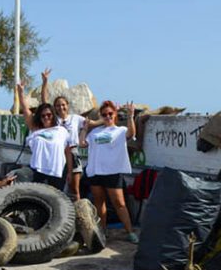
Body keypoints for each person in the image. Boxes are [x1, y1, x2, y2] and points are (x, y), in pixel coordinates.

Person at [80, 100, 139, 243]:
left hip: (113, 172)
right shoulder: (95, 133)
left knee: (119, 203)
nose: (108, 116)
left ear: (115, 114)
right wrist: (85, 128)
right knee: (99, 202)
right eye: (104, 114)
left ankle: (130, 231)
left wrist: (131, 116)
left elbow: (131, 133)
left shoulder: (120, 130)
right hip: (95, 172)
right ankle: (103, 230)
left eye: (110, 114)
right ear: (101, 116)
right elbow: (82, 143)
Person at [40, 67, 101, 200]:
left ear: (67, 105)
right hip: (58, 154)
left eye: (63, 105)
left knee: (75, 188)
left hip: (73, 154)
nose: (61, 107)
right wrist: (45, 82)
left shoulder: (76, 118)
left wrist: (108, 118)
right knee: (57, 187)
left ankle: (78, 214)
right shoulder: (54, 120)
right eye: (57, 105)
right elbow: (44, 102)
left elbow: (93, 123)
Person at [17, 81, 74, 190]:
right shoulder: (36, 130)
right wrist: (20, 93)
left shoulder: (61, 131)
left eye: (48, 115)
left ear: (53, 115)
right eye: (43, 116)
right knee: (38, 198)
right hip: (38, 171)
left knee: (56, 199)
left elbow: (68, 152)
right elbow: (25, 109)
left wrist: (70, 172)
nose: (46, 117)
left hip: (57, 172)